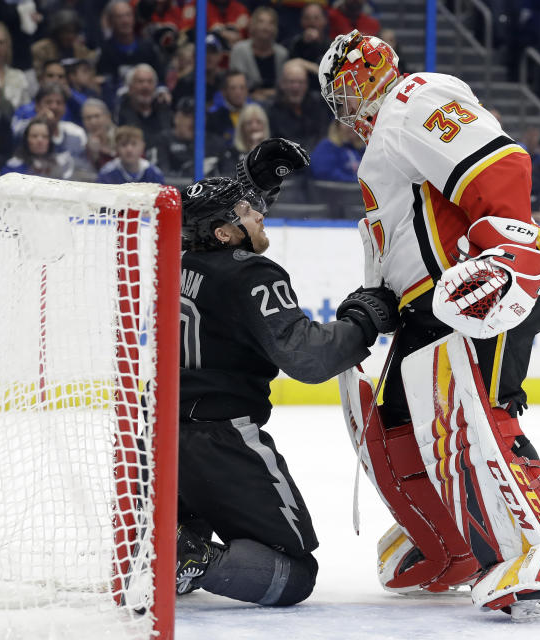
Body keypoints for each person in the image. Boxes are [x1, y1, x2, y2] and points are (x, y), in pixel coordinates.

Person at [315, 30, 540, 621]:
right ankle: (452, 544)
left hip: (475, 288)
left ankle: (539, 551)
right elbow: (399, 242)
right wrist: (373, 302)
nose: (343, 105)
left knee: (479, 417)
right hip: (424, 310)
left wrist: (505, 253)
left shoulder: (415, 98)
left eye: (343, 87)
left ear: (367, 73)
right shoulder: (383, 142)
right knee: (389, 428)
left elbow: (498, 162)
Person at [174, 138, 399, 605]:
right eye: (248, 210)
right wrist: (362, 322)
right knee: (292, 573)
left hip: (160, 442)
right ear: (223, 232)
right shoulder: (253, 273)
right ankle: (192, 560)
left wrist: (249, 186)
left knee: (185, 524)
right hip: (223, 441)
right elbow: (306, 358)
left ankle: (172, 545)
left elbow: (202, 217)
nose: (259, 214)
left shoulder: (171, 261)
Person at [229, 6, 289, 103]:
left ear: (276, 28)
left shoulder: (282, 54)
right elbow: (234, 85)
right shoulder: (239, 50)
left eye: (270, 23)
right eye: (261, 22)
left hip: (277, 105)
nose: (265, 27)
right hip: (245, 104)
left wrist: (266, 94)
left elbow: (285, 88)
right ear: (252, 25)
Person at [116, 63, 172, 165]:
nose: (145, 86)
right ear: (130, 87)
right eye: (140, 81)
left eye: (150, 82)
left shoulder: (164, 110)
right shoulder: (120, 111)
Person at [268, 59, 329, 150]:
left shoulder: (317, 103)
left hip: (319, 157)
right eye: (291, 82)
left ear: (307, 85)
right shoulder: (272, 109)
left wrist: (307, 65)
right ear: (282, 84)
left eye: (301, 82)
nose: (296, 87)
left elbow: (336, 86)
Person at [1, 116, 74, 179]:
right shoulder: (13, 166)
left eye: (45, 136)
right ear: (26, 140)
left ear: (50, 140)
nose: (40, 140)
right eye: (34, 136)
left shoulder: (60, 164)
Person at [97, 125, 165, 184]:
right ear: (116, 148)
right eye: (124, 145)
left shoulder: (154, 173)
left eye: (134, 144)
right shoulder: (107, 173)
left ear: (143, 146)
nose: (129, 149)